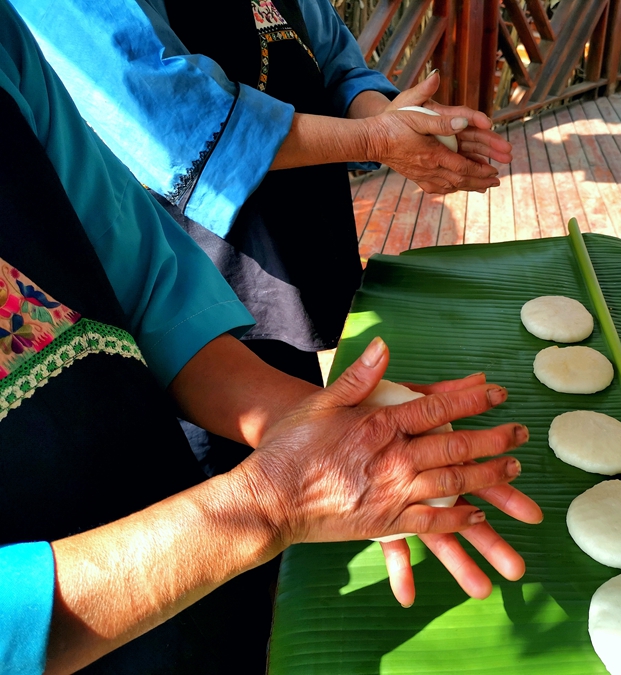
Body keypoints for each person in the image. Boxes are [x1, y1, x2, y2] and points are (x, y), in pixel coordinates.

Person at [0, 4, 540, 673]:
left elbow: (142, 273)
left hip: (165, 450)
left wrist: (309, 425)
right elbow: (171, 121)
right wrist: (265, 502)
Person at [12, 0, 516, 476]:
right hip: (192, 284)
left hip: (296, 243)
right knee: (226, 461)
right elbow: (172, 118)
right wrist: (379, 138)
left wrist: (383, 117)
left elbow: (331, 55)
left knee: (301, 393)